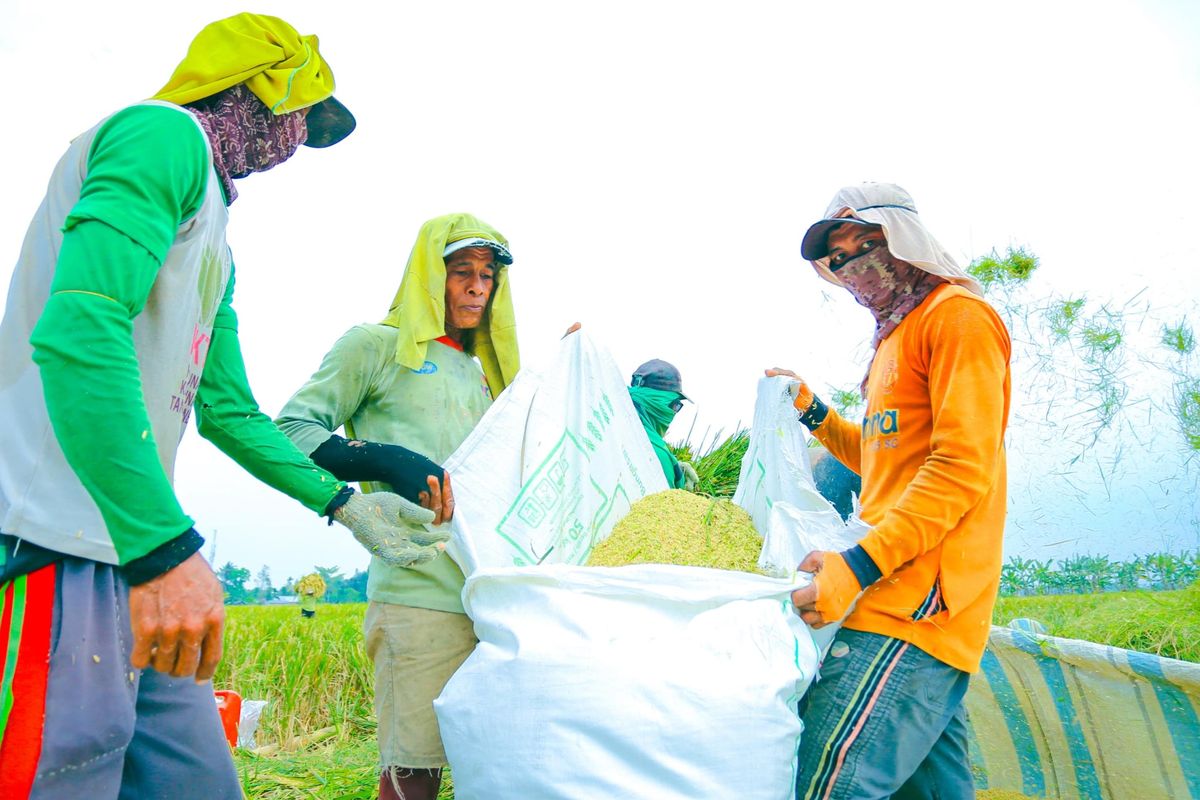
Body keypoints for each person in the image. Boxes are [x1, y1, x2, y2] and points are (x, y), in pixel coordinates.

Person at [0, 15, 446, 799]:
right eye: (304, 116)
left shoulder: (218, 235)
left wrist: (344, 503)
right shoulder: (158, 136)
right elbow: (77, 329)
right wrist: (166, 549)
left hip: (134, 551)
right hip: (55, 539)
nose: (299, 141)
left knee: (197, 782)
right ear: (265, 89)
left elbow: (230, 412)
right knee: (57, 776)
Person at [777, 182, 1011, 800]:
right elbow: (881, 460)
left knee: (820, 784)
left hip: (909, 604)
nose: (856, 263)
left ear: (909, 241)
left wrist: (856, 567)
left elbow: (961, 467)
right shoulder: (891, 343)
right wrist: (813, 412)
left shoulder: (957, 318)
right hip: (901, 597)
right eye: (841, 255)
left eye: (870, 242)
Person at [275, 212, 520, 800]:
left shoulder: (497, 374)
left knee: (503, 762)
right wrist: (386, 461)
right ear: (426, 275)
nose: (477, 287)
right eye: (461, 271)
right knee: (415, 773)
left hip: (497, 592)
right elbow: (288, 432)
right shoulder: (377, 347)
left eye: (488, 275)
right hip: (418, 589)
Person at [628, 359, 698, 490]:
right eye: (676, 405)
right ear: (659, 403)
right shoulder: (657, 456)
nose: (674, 412)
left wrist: (677, 467)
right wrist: (670, 469)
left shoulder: (609, 417)